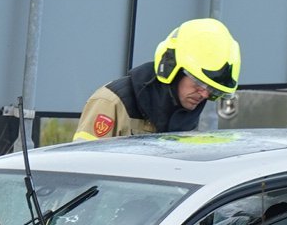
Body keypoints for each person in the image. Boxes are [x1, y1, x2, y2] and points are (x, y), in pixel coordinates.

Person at [73, 17, 241, 141]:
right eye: (199, 83)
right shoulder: (111, 103)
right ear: (172, 70)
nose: (204, 94)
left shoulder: (185, 111)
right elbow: (81, 168)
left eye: (212, 90)